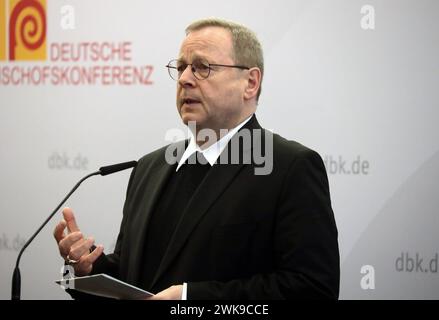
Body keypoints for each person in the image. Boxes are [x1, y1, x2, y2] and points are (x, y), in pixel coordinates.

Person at [53, 18, 340, 300]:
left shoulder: (290, 167)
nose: (185, 79)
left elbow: (312, 289)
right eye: (180, 67)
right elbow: (137, 277)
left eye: (202, 68)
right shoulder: (149, 168)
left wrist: (190, 299)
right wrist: (90, 270)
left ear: (250, 83)